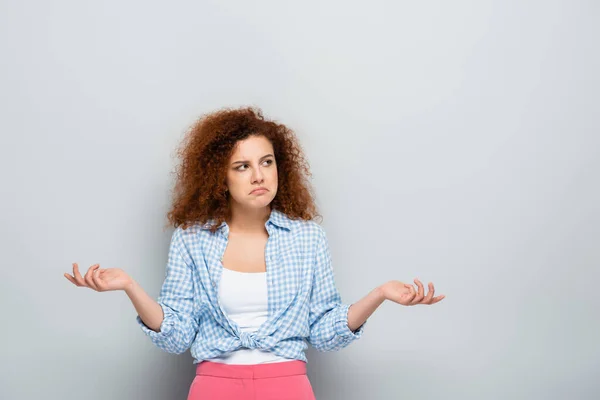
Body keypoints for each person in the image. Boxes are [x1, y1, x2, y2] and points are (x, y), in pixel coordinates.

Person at [64, 106, 445, 400]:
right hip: (214, 385)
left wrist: (379, 295)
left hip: (287, 384)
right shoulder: (192, 238)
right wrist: (130, 286)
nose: (259, 176)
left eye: (266, 162)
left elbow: (326, 333)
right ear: (220, 177)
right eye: (242, 166)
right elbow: (178, 335)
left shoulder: (307, 238)